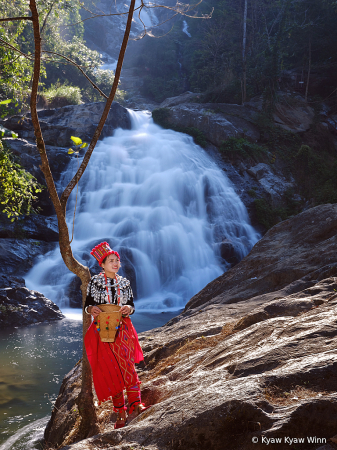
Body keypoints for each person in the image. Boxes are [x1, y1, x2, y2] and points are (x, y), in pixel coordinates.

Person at [84, 241, 150, 428]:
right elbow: (88, 304)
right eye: (110, 260)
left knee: (127, 364)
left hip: (123, 327)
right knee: (112, 368)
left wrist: (129, 308)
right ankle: (120, 413)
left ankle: (136, 405)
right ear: (102, 264)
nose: (115, 263)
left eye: (117, 260)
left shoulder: (124, 283)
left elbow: (131, 304)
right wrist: (92, 309)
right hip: (103, 329)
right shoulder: (95, 282)